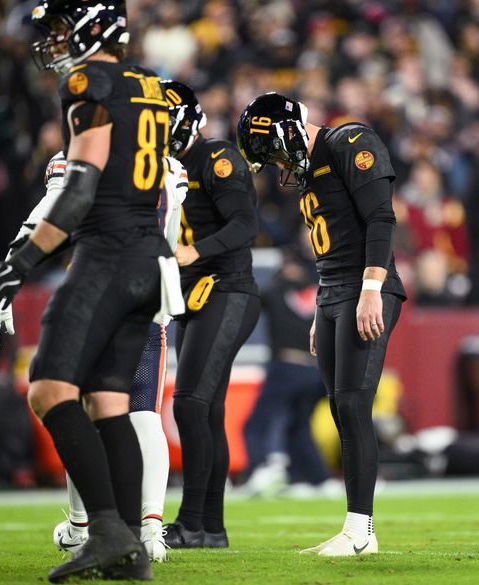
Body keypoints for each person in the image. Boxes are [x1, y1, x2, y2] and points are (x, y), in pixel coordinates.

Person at [0, 1, 180, 581]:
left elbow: (81, 185)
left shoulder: (89, 80)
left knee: (47, 389)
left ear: (93, 30)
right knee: (109, 403)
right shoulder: (150, 86)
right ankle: (132, 550)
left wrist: (22, 261)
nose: (57, 43)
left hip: (107, 253)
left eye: (64, 30)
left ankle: (106, 531)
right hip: (150, 259)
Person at [0, 148, 187, 562]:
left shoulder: (85, 146)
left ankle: (83, 524)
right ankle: (146, 530)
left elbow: (52, 211)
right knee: (138, 411)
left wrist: (12, 267)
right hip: (153, 288)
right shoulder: (166, 161)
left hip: (99, 286)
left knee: (64, 398)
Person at [237, 93, 406, 556]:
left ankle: (361, 530)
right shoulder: (309, 169)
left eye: (272, 149)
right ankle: (354, 528)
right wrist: (320, 308)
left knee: (353, 406)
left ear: (290, 129)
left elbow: (380, 217)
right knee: (339, 409)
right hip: (333, 292)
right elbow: (329, 249)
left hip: (365, 288)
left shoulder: (349, 140)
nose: (274, 162)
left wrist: (372, 288)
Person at [159, 80, 260, 549]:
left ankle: (192, 522)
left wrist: (192, 252)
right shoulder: (163, 165)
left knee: (190, 403)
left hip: (228, 290)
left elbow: (245, 225)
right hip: (196, 296)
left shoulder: (217, 156)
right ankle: (211, 529)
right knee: (207, 410)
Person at [242, 245, 333, 496]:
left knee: (255, 425)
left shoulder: (277, 288)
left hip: (287, 366)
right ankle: (317, 478)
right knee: (299, 426)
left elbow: (253, 301)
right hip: (316, 370)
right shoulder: (320, 291)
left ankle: (261, 469)